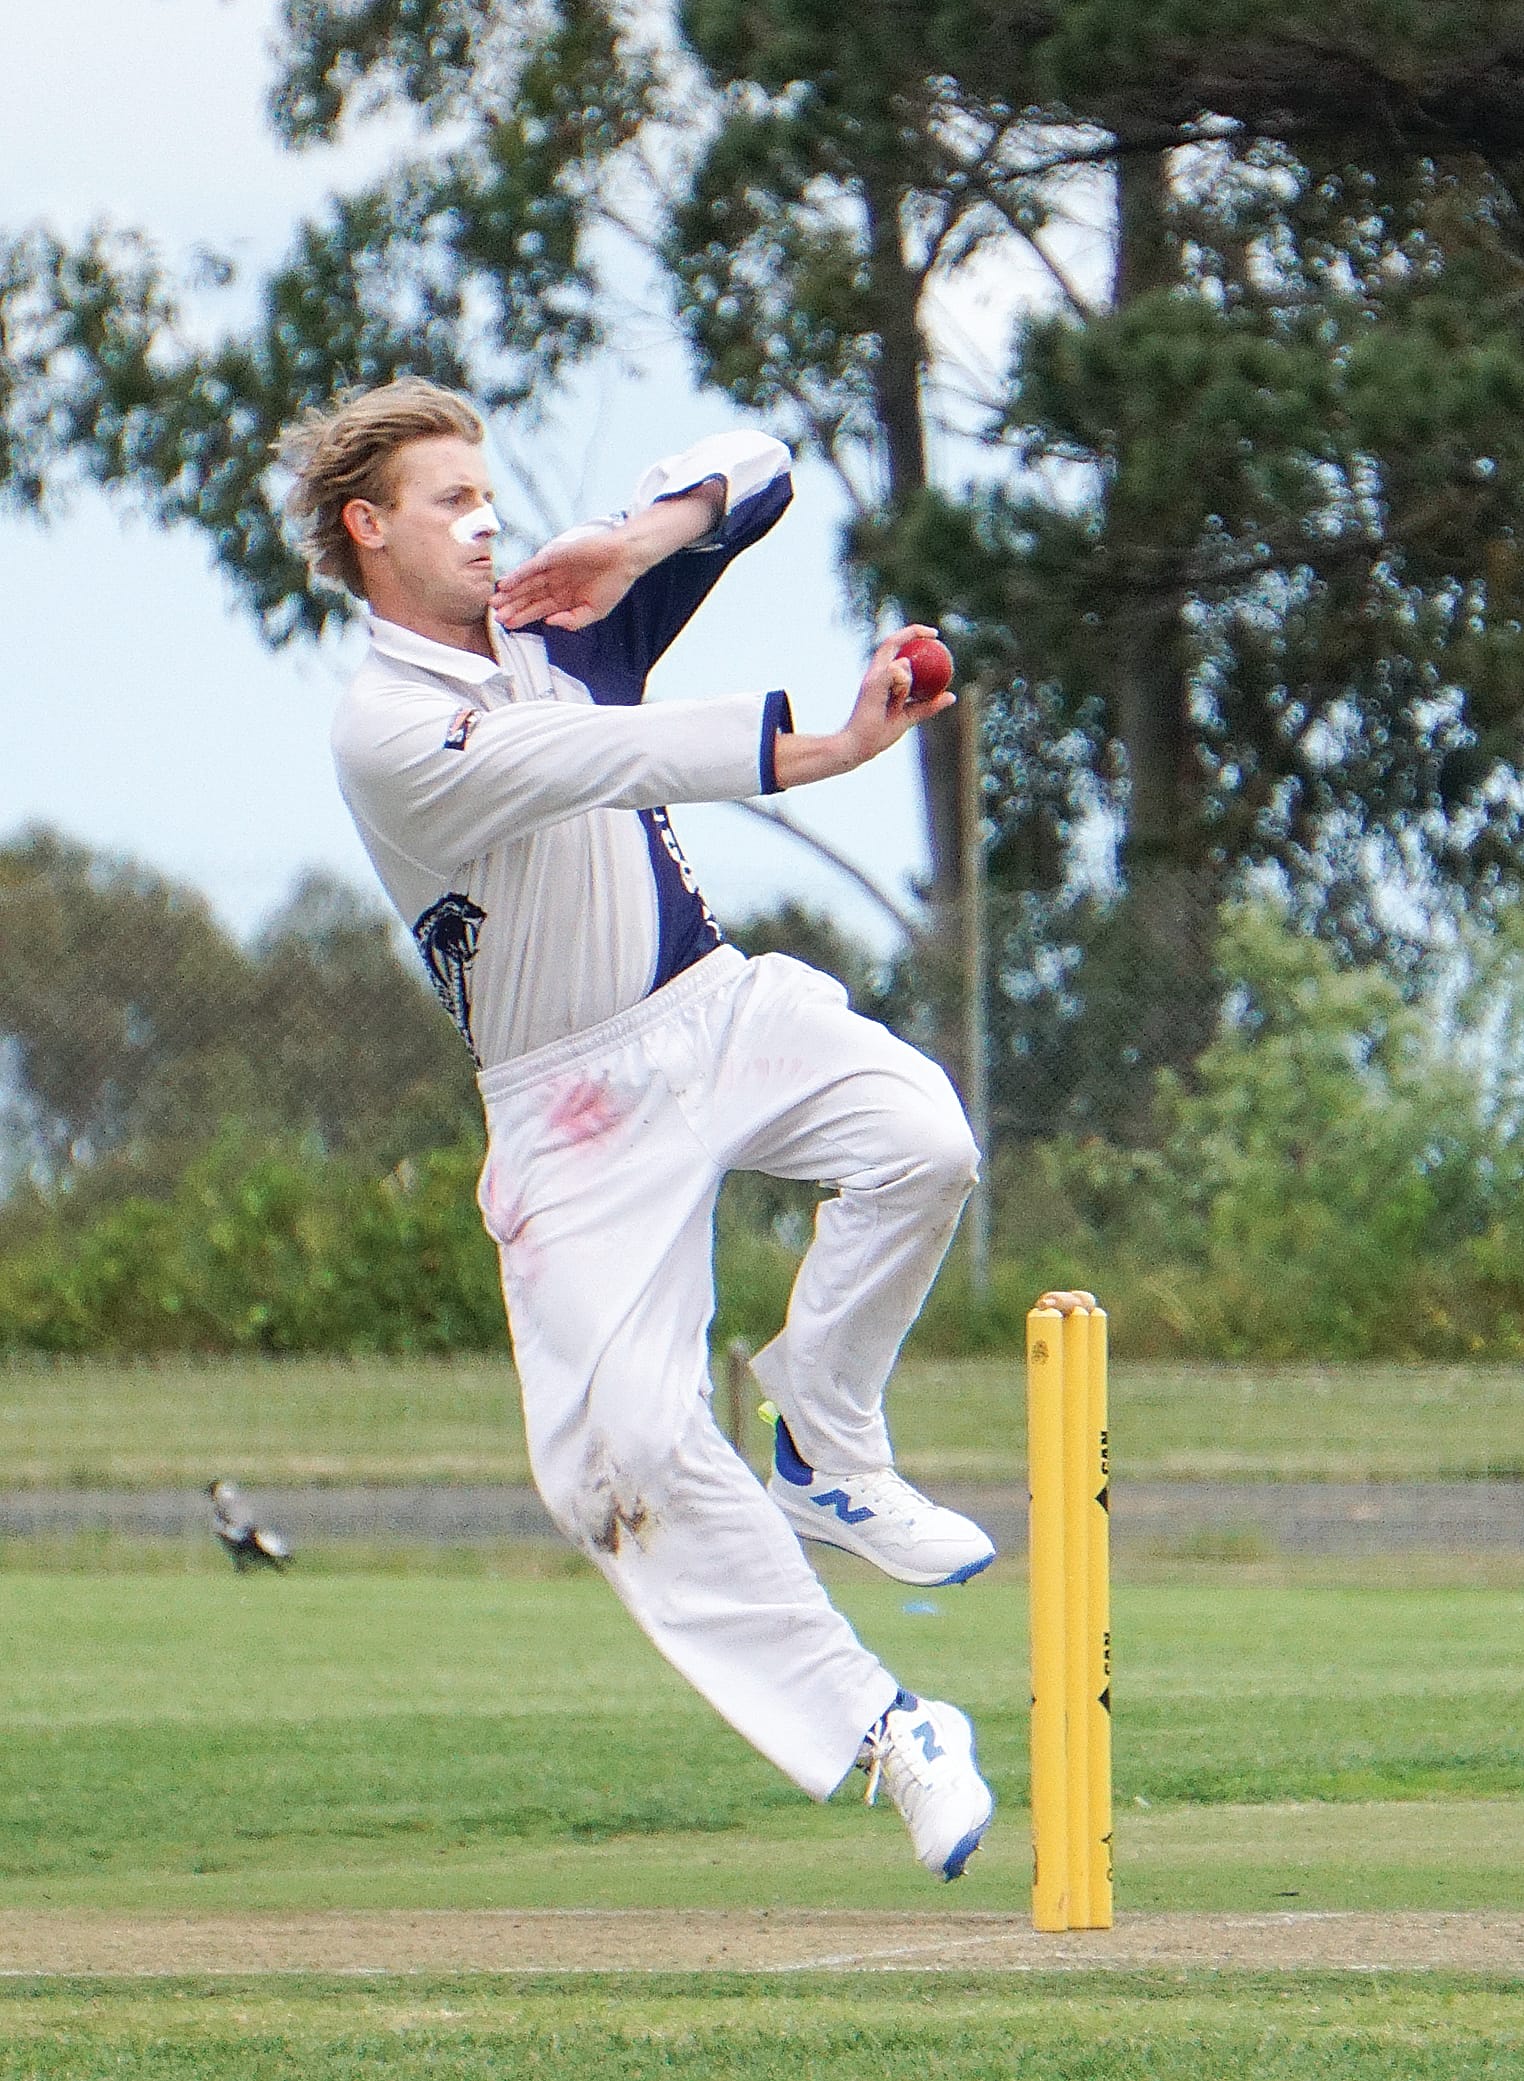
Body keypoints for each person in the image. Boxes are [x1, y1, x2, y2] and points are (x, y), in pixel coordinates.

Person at [280, 376, 997, 1880]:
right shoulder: (385, 728)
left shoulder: (563, 617)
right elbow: (602, 760)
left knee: (921, 1139)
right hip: (569, 1104)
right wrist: (824, 743)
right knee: (622, 1458)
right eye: (447, 500)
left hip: (712, 1003)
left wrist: (629, 539)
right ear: (368, 528)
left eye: (489, 492)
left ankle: (823, 1422)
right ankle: (890, 1730)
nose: (485, 521)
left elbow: (764, 460)